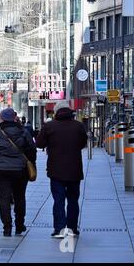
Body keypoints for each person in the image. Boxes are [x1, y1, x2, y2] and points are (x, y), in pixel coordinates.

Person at [36, 101, 87, 238]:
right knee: (73, 200)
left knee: (58, 200)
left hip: (56, 170)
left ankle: (59, 229)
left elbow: (39, 143)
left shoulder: (50, 126)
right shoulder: (78, 126)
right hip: (74, 170)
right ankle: (72, 229)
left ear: (56, 112)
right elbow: (83, 143)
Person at [0, 108, 37, 237]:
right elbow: (32, 150)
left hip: (1, 171)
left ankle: (7, 228)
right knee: (20, 197)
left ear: (2, 119)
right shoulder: (24, 132)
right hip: (20, 171)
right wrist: (31, 164)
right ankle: (19, 225)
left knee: (4, 198)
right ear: (14, 118)